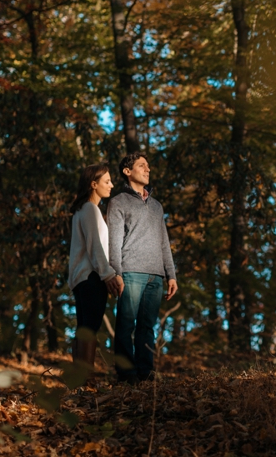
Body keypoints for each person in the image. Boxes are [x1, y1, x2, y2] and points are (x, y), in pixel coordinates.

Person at [108, 152, 178, 384]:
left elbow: (163, 242)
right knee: (126, 324)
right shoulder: (118, 201)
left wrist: (171, 274)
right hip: (130, 272)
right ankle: (126, 377)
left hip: (156, 276)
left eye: (148, 166)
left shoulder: (157, 206)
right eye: (142, 166)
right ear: (127, 172)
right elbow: (114, 242)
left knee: (147, 328)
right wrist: (116, 273)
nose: (148, 169)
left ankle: (145, 375)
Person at [68, 164, 124, 374]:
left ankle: (80, 383)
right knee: (89, 331)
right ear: (94, 184)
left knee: (83, 330)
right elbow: (95, 247)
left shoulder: (81, 210)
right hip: (91, 278)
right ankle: (86, 381)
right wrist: (108, 274)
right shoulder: (90, 209)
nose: (111, 185)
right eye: (106, 181)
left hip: (81, 278)